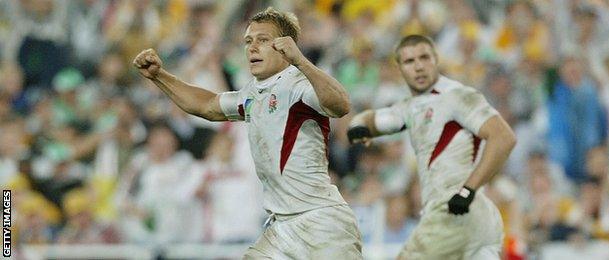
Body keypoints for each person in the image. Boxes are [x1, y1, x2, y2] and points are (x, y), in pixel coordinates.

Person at [132, 7, 362, 259]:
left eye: (263, 40)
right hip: (282, 228)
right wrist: (159, 76)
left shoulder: (298, 85)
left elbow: (341, 104)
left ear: (285, 47)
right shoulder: (251, 95)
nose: (252, 47)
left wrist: (301, 60)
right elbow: (206, 105)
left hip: (321, 220)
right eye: (248, 41)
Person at [347, 34, 517, 259]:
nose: (418, 67)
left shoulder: (457, 96)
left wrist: (468, 189)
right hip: (476, 219)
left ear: (436, 59)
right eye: (409, 61)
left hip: (453, 210)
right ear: (400, 68)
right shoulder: (410, 107)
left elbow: (504, 137)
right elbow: (376, 119)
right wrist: (358, 125)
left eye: (424, 58)